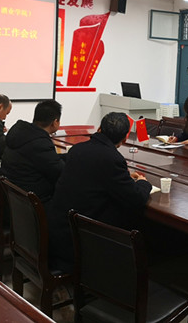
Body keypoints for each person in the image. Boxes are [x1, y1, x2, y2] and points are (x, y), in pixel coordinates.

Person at [47, 112, 152, 273]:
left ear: (99, 129)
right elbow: (137, 198)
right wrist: (143, 183)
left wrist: (123, 177)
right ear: (124, 139)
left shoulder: (77, 149)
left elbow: (96, 177)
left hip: (59, 231)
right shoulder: (112, 158)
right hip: (80, 242)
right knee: (136, 218)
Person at [1, 100, 65, 204]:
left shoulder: (22, 134)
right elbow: (60, 172)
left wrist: (68, 156)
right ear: (55, 122)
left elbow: (50, 160)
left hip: (15, 197)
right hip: (35, 202)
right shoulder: (40, 143)